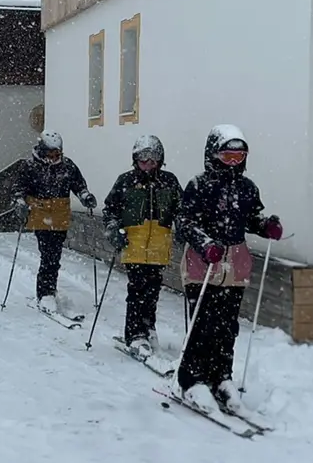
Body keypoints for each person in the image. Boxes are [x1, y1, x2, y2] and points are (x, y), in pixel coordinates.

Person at [174, 124, 283, 414]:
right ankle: (192, 380)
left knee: (226, 327)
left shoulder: (247, 188)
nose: (233, 163)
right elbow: (184, 222)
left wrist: (266, 226)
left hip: (234, 267)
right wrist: (205, 243)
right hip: (203, 265)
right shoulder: (199, 185)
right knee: (202, 325)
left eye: (239, 157)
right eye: (227, 156)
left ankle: (221, 377)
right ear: (213, 155)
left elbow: (252, 218)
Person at [102, 135, 183, 359]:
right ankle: (135, 333)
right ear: (135, 160)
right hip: (134, 245)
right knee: (137, 289)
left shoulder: (169, 181)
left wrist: (182, 225)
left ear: (160, 160)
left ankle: (148, 327)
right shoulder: (126, 181)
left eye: (152, 159)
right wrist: (114, 228)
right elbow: (110, 210)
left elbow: (181, 208)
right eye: (142, 159)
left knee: (153, 290)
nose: (147, 164)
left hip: (158, 246)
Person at [12, 130, 97, 318]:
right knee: (48, 255)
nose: (54, 157)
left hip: (59, 217)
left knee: (54, 255)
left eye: (57, 153)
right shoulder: (29, 166)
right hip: (40, 215)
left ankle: (50, 289)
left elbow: (79, 185)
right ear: (42, 151)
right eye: (50, 153)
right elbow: (18, 189)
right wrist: (20, 203)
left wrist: (85, 196)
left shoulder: (67, 166)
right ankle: (45, 293)